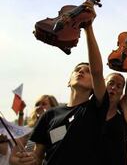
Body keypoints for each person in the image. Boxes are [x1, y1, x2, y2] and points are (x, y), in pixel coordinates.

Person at [10, 14, 109, 165]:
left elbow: (97, 71)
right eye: (77, 70)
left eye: (87, 71)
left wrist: (88, 28)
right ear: (69, 81)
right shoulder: (50, 115)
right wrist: (25, 158)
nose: (81, 72)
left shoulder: (95, 107)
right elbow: (35, 146)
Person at [100, 71, 127, 165]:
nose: (114, 88)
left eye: (119, 86)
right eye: (110, 83)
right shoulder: (89, 108)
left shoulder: (122, 107)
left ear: (122, 92)